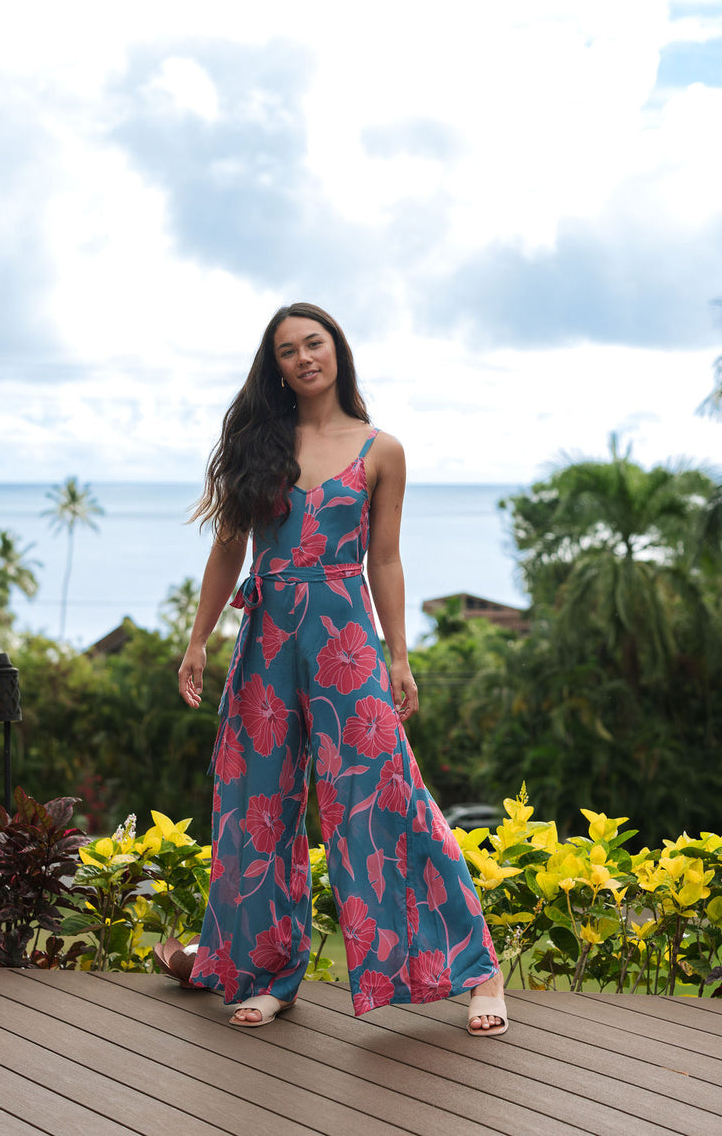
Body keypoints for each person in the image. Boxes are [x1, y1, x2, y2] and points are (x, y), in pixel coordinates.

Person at [178, 303, 507, 1035]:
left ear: (336, 350)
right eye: (287, 350)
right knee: (255, 808)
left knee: (386, 794)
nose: (302, 357)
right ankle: (268, 973)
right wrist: (199, 638)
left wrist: (399, 654)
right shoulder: (258, 443)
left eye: (313, 342)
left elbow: (384, 558)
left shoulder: (381, 449)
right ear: (277, 367)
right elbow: (229, 549)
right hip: (265, 643)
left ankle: (476, 965)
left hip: (346, 645)